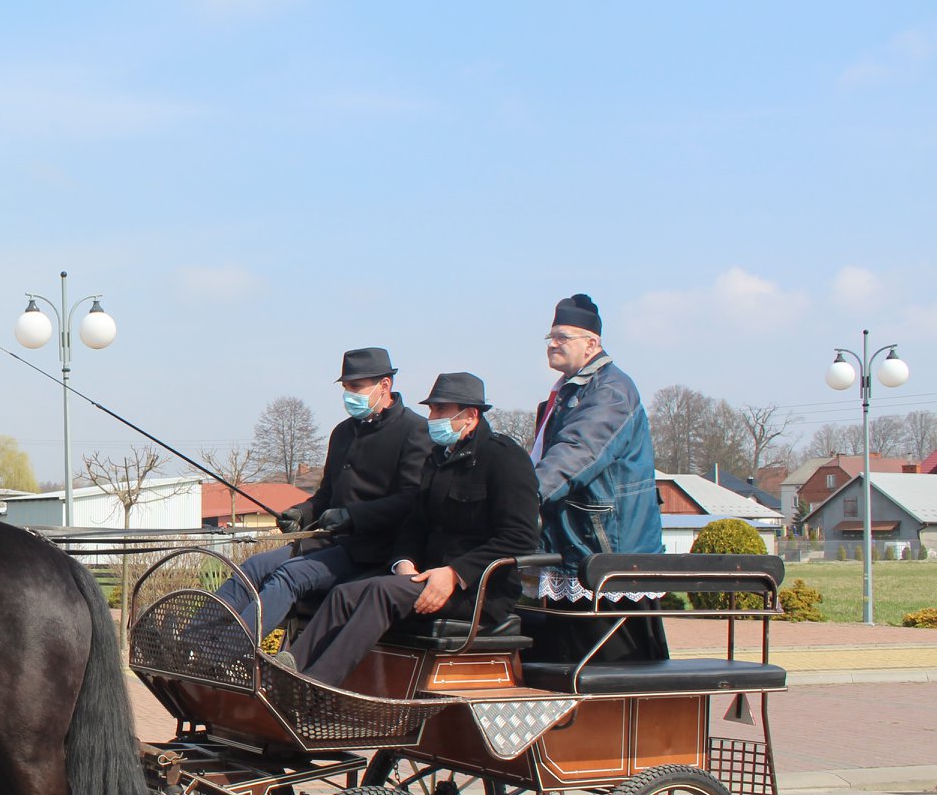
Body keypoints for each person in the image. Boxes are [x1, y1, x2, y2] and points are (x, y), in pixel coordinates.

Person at [287, 373, 539, 687]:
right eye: (431, 410)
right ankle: (289, 671)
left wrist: (455, 573)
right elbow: (415, 523)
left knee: (380, 592)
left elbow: (520, 538)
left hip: (477, 590)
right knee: (343, 594)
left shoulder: (504, 458)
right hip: (425, 578)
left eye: (440, 411)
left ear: (471, 416)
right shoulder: (437, 459)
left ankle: (311, 686)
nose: (431, 418)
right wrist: (403, 562)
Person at [208, 347, 430, 638]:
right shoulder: (342, 433)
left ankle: (228, 648)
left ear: (385, 385)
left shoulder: (414, 430)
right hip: (328, 544)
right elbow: (326, 495)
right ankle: (192, 642)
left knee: (288, 576)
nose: (349, 395)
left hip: (372, 550)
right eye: (346, 387)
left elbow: (410, 500)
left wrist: (353, 516)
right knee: (253, 566)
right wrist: (301, 513)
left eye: (356, 387)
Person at [525, 294, 668, 663]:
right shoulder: (567, 391)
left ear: (592, 344)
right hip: (574, 541)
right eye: (550, 337)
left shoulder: (611, 391)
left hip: (606, 546)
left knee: (613, 668)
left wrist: (522, 497)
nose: (553, 344)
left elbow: (576, 453)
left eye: (563, 337)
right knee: (561, 655)